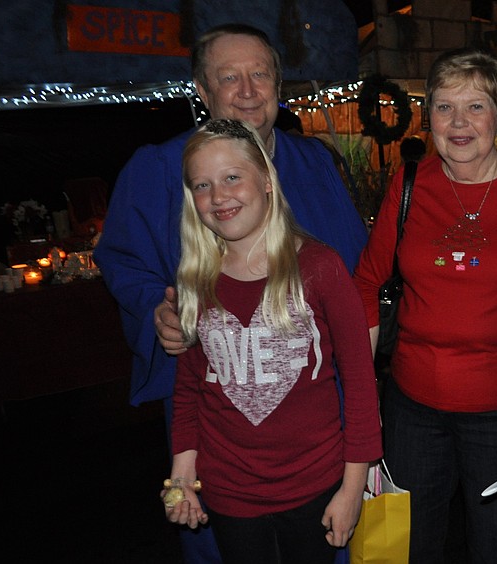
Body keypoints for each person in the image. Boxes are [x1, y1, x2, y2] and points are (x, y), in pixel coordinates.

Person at [93, 23, 369, 563]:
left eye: (259, 74)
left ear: (278, 85)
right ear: (202, 91)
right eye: (228, 77)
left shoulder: (313, 161)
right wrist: (157, 307)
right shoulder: (157, 168)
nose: (247, 90)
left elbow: (356, 267)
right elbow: (121, 257)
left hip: (316, 414)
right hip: (220, 412)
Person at [353, 46, 497, 564]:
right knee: (407, 548)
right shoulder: (409, 185)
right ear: (428, 116)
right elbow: (367, 283)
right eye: (444, 107)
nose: (459, 122)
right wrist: (363, 405)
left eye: (475, 106)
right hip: (411, 409)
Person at [163, 118, 382, 563]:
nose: (219, 196)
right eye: (202, 185)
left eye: (231, 177)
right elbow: (189, 389)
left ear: (266, 179)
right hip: (228, 492)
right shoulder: (194, 280)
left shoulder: (320, 267)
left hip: (314, 484)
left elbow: (360, 385)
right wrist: (182, 472)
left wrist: (352, 487)